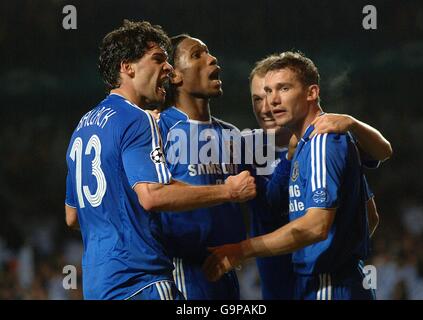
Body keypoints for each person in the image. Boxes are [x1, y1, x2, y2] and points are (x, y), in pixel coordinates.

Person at [64, 20, 256, 300]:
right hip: (142, 280)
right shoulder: (139, 118)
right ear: (127, 67)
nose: (167, 68)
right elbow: (152, 196)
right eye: (158, 60)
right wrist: (228, 191)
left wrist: (123, 225)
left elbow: (72, 216)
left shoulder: (83, 125)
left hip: (100, 285)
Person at [203, 51, 387, 300]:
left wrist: (240, 250)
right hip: (310, 283)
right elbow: (369, 217)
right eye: (265, 94)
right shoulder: (297, 146)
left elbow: (317, 225)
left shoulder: (323, 139)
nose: (271, 102)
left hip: (327, 283)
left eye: (283, 89)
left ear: (312, 93)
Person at [157, 34, 291, 300]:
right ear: (174, 76)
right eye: (197, 55)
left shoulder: (232, 135)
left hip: (226, 270)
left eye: (209, 52)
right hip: (180, 272)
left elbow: (267, 201)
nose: (211, 58)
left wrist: (291, 157)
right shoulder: (158, 129)